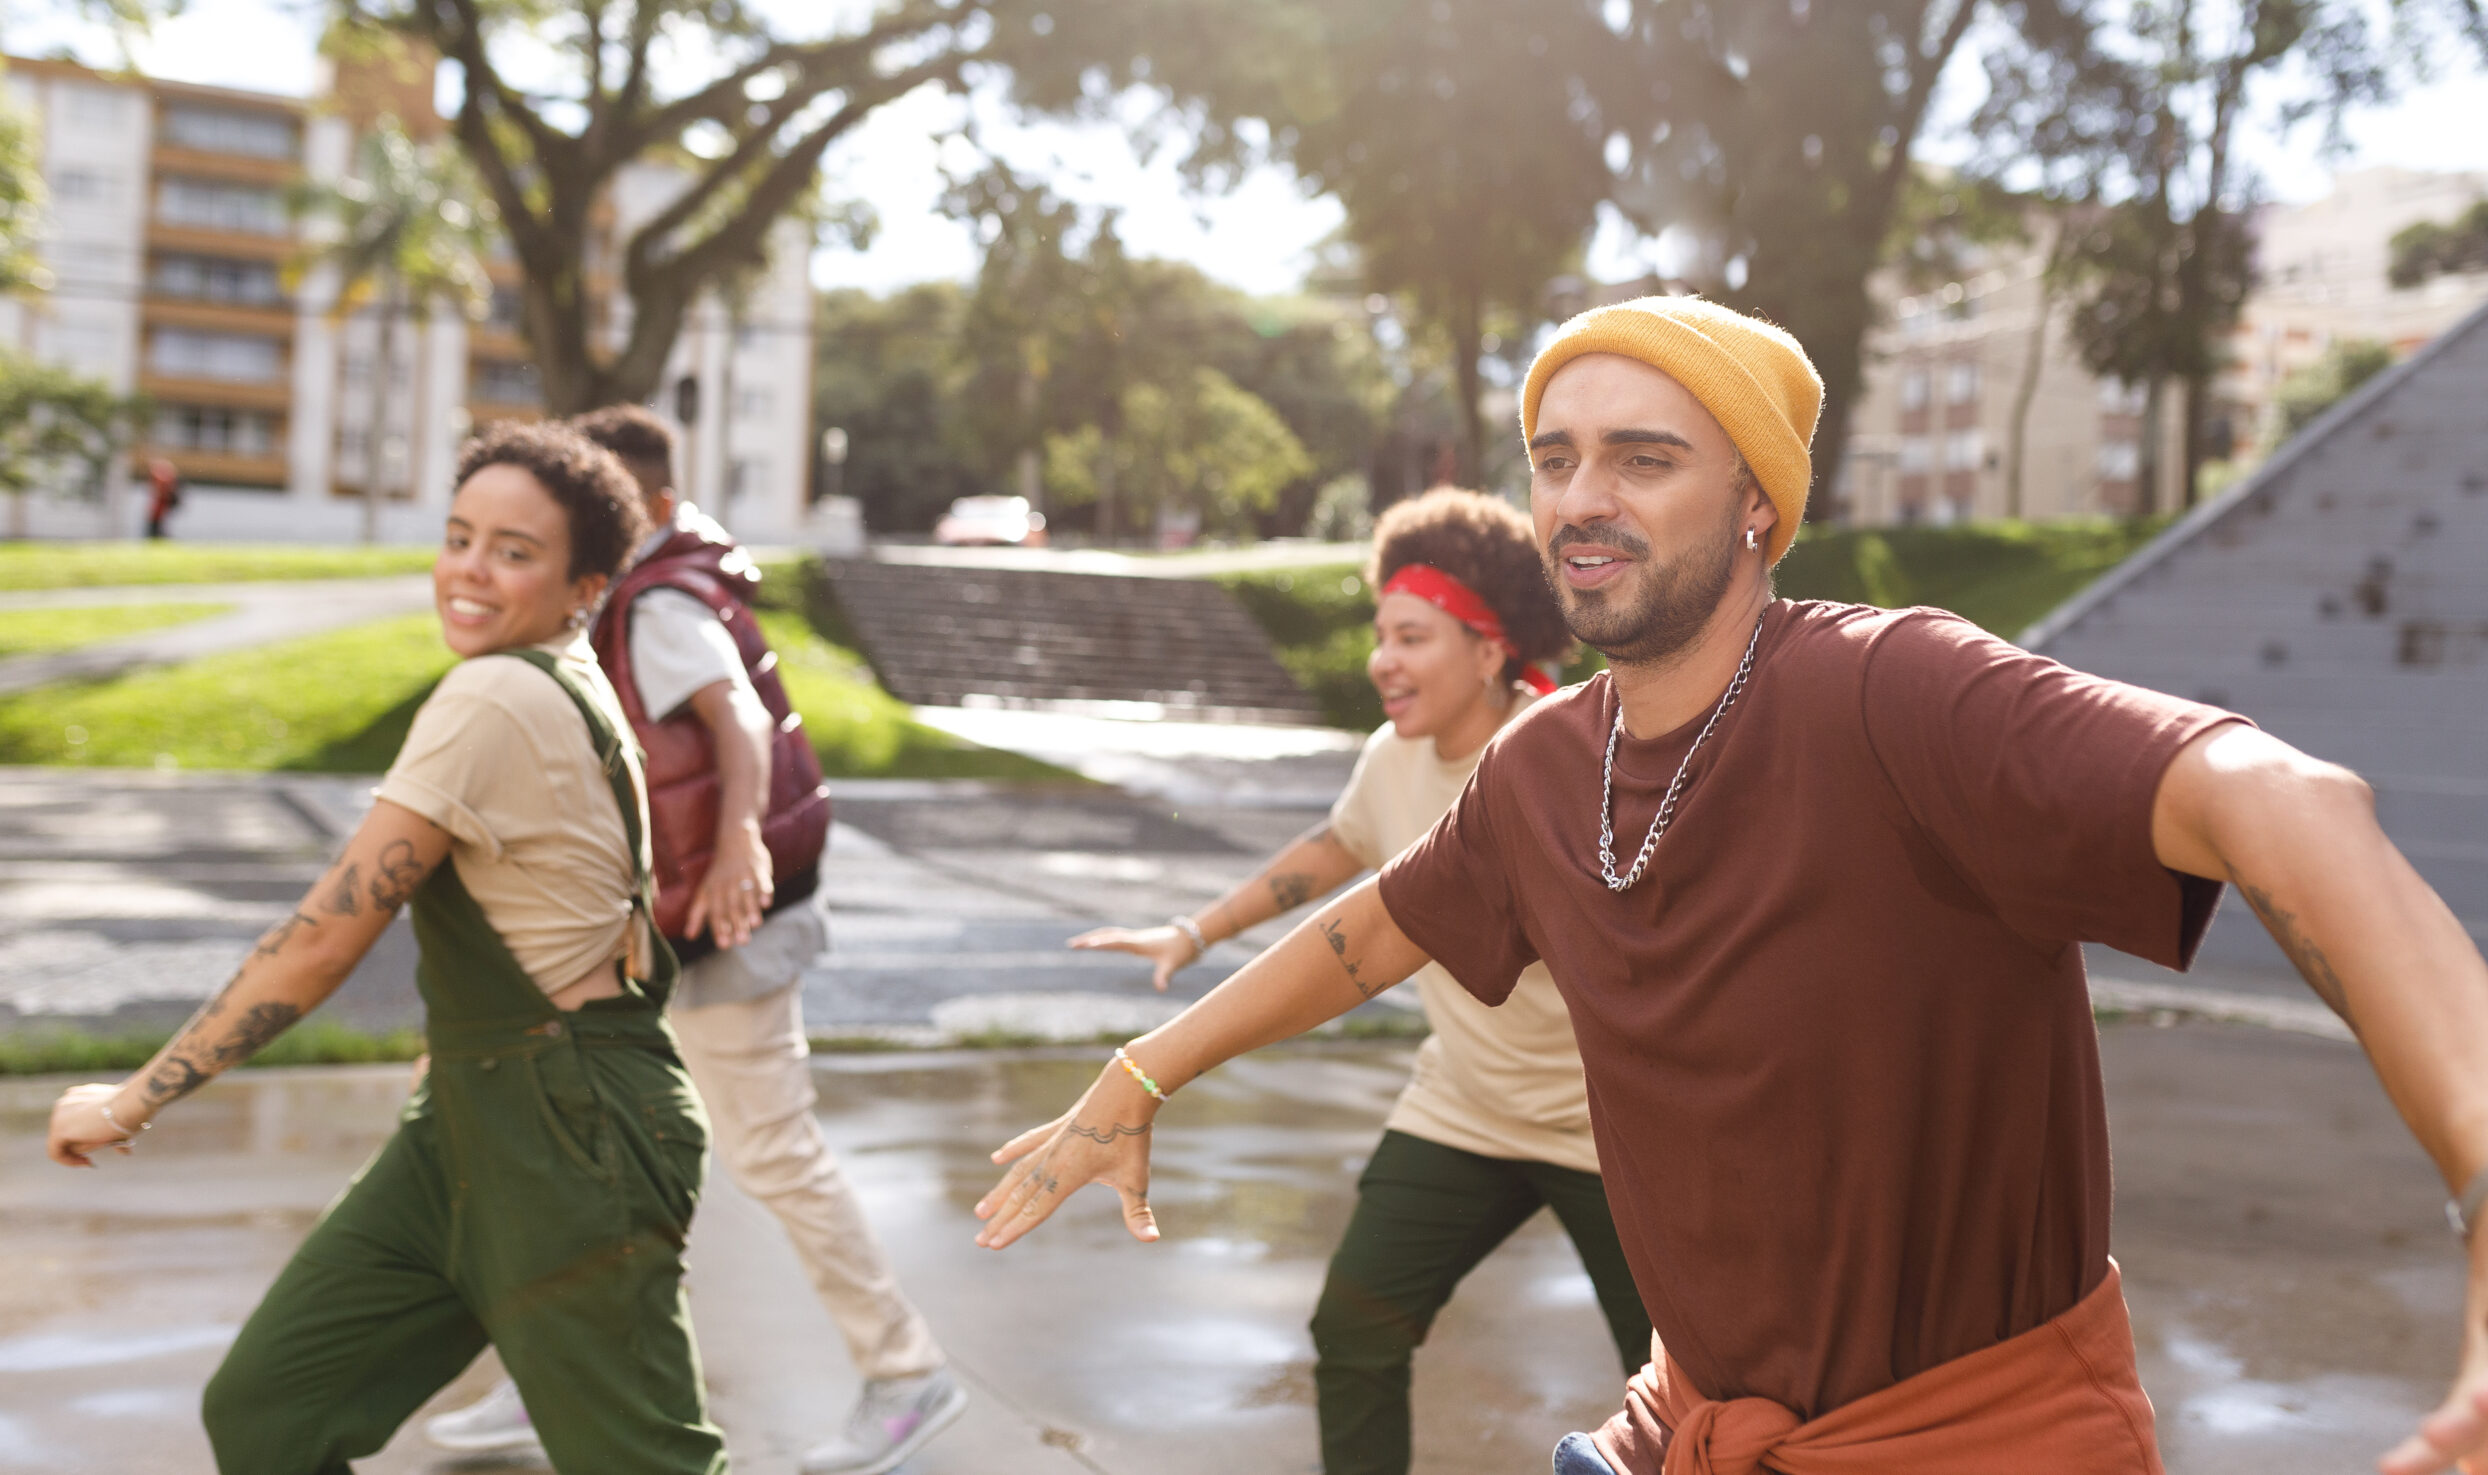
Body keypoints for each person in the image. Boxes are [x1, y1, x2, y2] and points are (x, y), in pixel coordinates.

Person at [969, 296, 2488, 1475]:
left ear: (1757, 500)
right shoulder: (1544, 766)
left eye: (1645, 455)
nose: (1581, 496)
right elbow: (1374, 927)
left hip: (1978, 1439)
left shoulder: (1896, 689)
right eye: (1556, 455)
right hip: (1688, 1421)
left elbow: (2280, 799)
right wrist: (1145, 1067)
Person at [46, 421, 727, 1475]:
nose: (468, 571)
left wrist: (130, 1101)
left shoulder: (494, 694)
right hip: (480, 1110)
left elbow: (320, 942)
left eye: (514, 551)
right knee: (275, 1409)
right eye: (459, 537)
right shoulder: (563, 673)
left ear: (584, 583)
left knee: (643, 1464)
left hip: (565, 1133)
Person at [424, 405, 966, 1475]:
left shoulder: (662, 598)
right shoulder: (630, 594)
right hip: (673, 922)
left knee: (769, 1149)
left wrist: (731, 853)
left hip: (723, 923)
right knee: (600, 1152)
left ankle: (907, 1373)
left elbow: (741, 725)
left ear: (658, 510)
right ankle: (558, 1378)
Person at [1069, 486, 1650, 1475]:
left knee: (1689, 1384)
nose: (1382, 659)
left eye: (1412, 636)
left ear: (1488, 647)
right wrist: (1195, 930)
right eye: (1380, 634)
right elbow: (1337, 847)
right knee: (1354, 1332)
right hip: (1464, 1110)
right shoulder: (1393, 756)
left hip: (1613, 1133)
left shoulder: (1572, 756)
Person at [144, 456, 183, 539]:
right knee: (157, 525)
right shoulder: (168, 480)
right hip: (161, 507)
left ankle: (159, 537)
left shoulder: (166, 480)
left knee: (157, 525)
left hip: (162, 506)